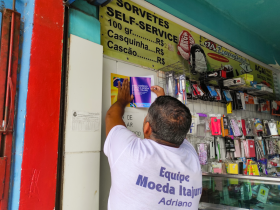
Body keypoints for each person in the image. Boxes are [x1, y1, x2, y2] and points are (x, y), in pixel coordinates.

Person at [104, 78, 202, 210]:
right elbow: (176, 127)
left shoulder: (130, 152)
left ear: (147, 128)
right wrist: (164, 103)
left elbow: (112, 116)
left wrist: (121, 101)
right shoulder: (191, 157)